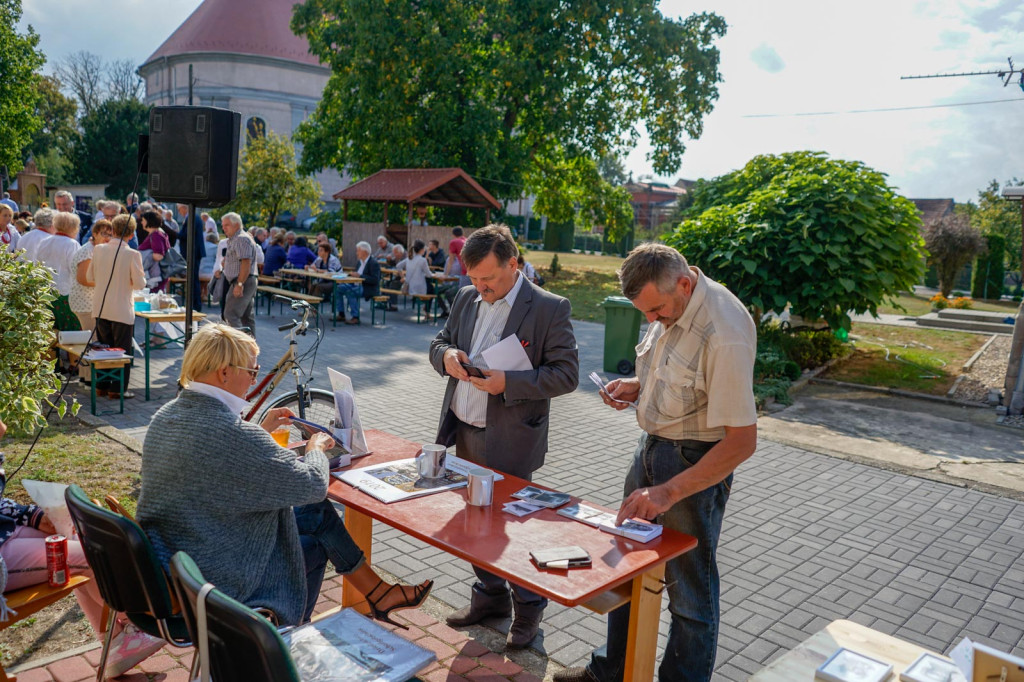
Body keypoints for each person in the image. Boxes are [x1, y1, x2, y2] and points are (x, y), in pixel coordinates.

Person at [137, 324, 433, 626]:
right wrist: (315, 449)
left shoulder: (166, 416)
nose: (255, 379)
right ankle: (287, 636)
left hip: (172, 560)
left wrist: (261, 430)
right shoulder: (233, 433)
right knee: (313, 542)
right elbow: (313, 485)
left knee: (314, 512)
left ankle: (379, 593)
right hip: (217, 577)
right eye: (252, 371)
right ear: (224, 372)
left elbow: (217, 465)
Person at [555, 244, 757, 682]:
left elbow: (742, 441)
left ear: (683, 284)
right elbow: (672, 371)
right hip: (651, 448)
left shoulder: (724, 331)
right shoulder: (669, 298)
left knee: (689, 593)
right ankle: (612, 671)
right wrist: (638, 385)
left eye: (657, 311)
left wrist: (668, 492)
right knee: (627, 566)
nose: (651, 319)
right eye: (644, 312)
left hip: (693, 464)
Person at [428, 224, 578, 649]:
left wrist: (508, 383)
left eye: (489, 279)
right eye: (474, 278)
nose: (481, 287)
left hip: (512, 440)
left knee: (514, 529)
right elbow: (439, 341)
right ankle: (490, 599)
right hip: (465, 432)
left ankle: (528, 612)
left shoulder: (549, 307)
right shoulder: (466, 297)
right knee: (475, 524)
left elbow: (567, 375)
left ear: (514, 264)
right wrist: (447, 356)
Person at [88, 214, 145, 400]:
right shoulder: (133, 254)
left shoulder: (98, 249)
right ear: (132, 234)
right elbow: (140, 284)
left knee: (104, 350)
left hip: (101, 307)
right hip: (121, 309)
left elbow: (90, 277)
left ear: (112, 230)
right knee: (122, 352)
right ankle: (118, 389)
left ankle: (101, 387)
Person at [35, 211, 83, 331]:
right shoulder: (72, 244)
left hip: (46, 291)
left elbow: (38, 264)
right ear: (73, 227)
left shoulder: (44, 241)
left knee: (50, 330)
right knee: (70, 332)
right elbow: (75, 269)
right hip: (66, 293)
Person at [70, 219, 113, 333]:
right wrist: (106, 284)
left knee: (96, 337)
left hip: (92, 302)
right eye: (104, 234)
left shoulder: (97, 249)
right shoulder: (88, 251)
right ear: (95, 233)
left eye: (110, 235)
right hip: (84, 302)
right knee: (92, 338)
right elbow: (83, 279)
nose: (108, 238)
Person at [220, 212, 259, 336]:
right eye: (223, 225)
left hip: (243, 281)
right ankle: (250, 345)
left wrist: (240, 284)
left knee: (231, 314)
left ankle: (239, 344)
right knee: (246, 317)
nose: (223, 228)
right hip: (245, 280)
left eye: (226, 225)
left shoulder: (241, 238)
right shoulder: (237, 238)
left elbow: (246, 263)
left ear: (236, 225)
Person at [334, 241, 380, 325]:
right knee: (338, 289)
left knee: (350, 292)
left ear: (364, 251)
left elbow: (375, 280)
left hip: (368, 288)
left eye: (358, 250)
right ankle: (341, 314)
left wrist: (360, 276)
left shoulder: (373, 263)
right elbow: (356, 275)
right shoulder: (360, 262)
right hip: (355, 285)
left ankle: (355, 317)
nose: (356, 253)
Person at [176, 204, 205, 311]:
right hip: (192, 252)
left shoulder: (193, 217)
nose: (179, 212)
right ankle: (193, 304)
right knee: (192, 279)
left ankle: (195, 305)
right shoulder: (192, 217)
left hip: (193, 252)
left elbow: (185, 235)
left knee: (193, 280)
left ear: (184, 208)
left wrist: (172, 232)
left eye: (179, 210)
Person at [138, 210, 170, 292]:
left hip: (154, 277)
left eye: (143, 220)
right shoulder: (156, 233)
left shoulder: (156, 235)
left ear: (149, 221)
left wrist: (145, 255)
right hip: (154, 276)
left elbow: (159, 256)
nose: (141, 222)